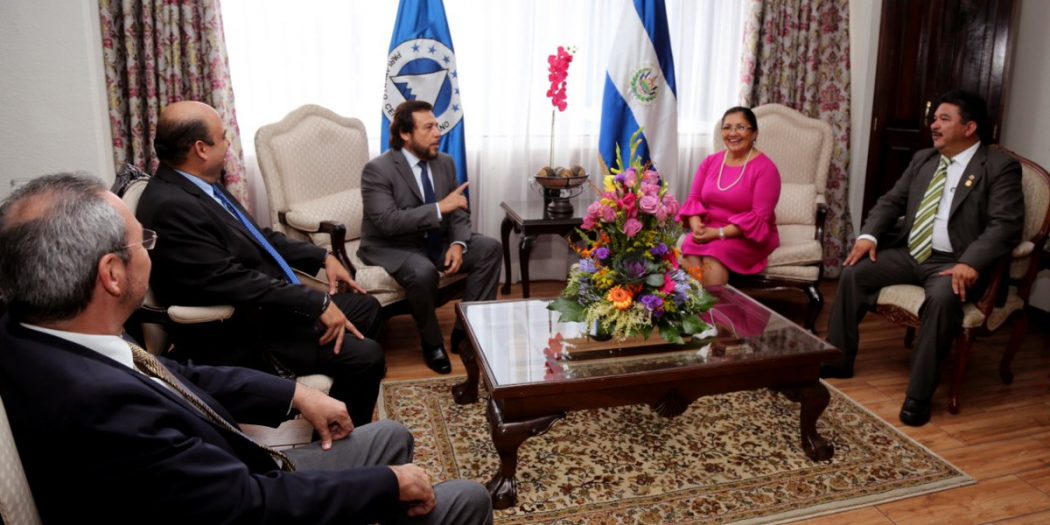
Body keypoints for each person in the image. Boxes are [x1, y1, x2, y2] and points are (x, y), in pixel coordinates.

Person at [0, 173, 492, 524]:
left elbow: (176, 375)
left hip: (222, 477)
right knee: (466, 499)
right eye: (143, 242)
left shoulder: (50, 330)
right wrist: (388, 485)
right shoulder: (100, 407)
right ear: (111, 274)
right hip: (248, 496)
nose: (152, 250)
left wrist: (295, 395)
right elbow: (249, 505)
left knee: (391, 436)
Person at [137, 101, 384, 427]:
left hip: (264, 308)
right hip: (242, 330)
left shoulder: (198, 184)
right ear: (200, 149)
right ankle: (342, 440)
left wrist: (321, 257)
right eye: (222, 137)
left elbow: (258, 237)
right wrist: (317, 302)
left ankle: (335, 398)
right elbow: (233, 280)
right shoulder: (172, 207)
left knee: (368, 309)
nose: (228, 144)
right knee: (367, 357)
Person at [823, 89, 1024, 427]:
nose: (934, 125)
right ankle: (837, 360)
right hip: (911, 253)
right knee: (854, 271)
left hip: (954, 263)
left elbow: (1005, 226)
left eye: (944, 119)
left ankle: (919, 396)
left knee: (943, 299)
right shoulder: (924, 159)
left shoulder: (999, 167)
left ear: (969, 127)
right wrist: (868, 236)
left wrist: (971, 262)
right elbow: (891, 201)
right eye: (934, 119)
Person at [359, 101, 501, 374]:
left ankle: (465, 332)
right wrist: (438, 208)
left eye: (437, 125)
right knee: (422, 272)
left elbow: (457, 211)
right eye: (428, 127)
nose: (438, 133)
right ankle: (432, 343)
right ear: (405, 133)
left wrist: (458, 244)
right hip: (393, 245)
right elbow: (387, 222)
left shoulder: (444, 162)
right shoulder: (378, 169)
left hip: (436, 239)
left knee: (489, 248)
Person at [677, 106, 782, 286]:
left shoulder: (766, 169)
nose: (733, 133)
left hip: (746, 236)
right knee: (690, 246)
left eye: (741, 127)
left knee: (714, 255)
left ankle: (714, 304)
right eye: (727, 127)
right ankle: (701, 301)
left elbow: (759, 218)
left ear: (754, 134)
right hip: (710, 228)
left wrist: (718, 233)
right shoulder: (710, 162)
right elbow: (694, 199)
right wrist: (696, 227)